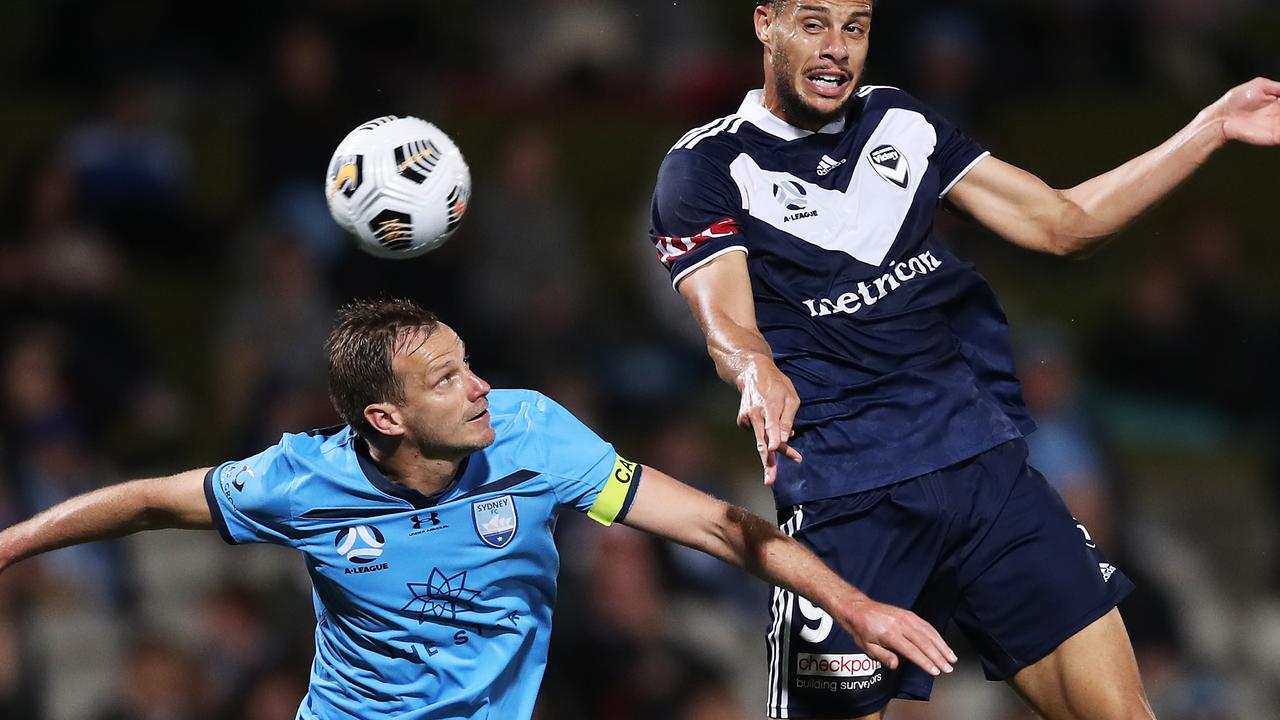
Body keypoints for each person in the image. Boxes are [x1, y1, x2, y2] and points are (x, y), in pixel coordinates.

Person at [646, 1, 1280, 718]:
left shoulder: (898, 122)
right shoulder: (706, 165)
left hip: (985, 475)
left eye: (855, 27)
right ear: (766, 24)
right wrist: (755, 369)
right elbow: (725, 316)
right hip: (852, 505)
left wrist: (1212, 127)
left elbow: (1059, 223)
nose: (837, 49)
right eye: (814, 23)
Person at [0, 298, 955, 720]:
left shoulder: (534, 439)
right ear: (385, 416)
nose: (481, 387)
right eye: (447, 377)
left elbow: (715, 524)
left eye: (470, 361)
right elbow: (144, 502)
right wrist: (12, 543)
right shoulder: (300, 480)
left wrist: (856, 605)